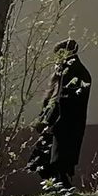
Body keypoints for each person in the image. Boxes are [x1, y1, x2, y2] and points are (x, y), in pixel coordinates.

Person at [30, 40, 92, 187]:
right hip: (65, 125)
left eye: (59, 55)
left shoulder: (71, 72)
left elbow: (60, 100)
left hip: (62, 125)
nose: (56, 59)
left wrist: (46, 121)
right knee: (50, 163)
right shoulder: (74, 71)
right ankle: (59, 191)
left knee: (56, 164)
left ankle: (63, 192)